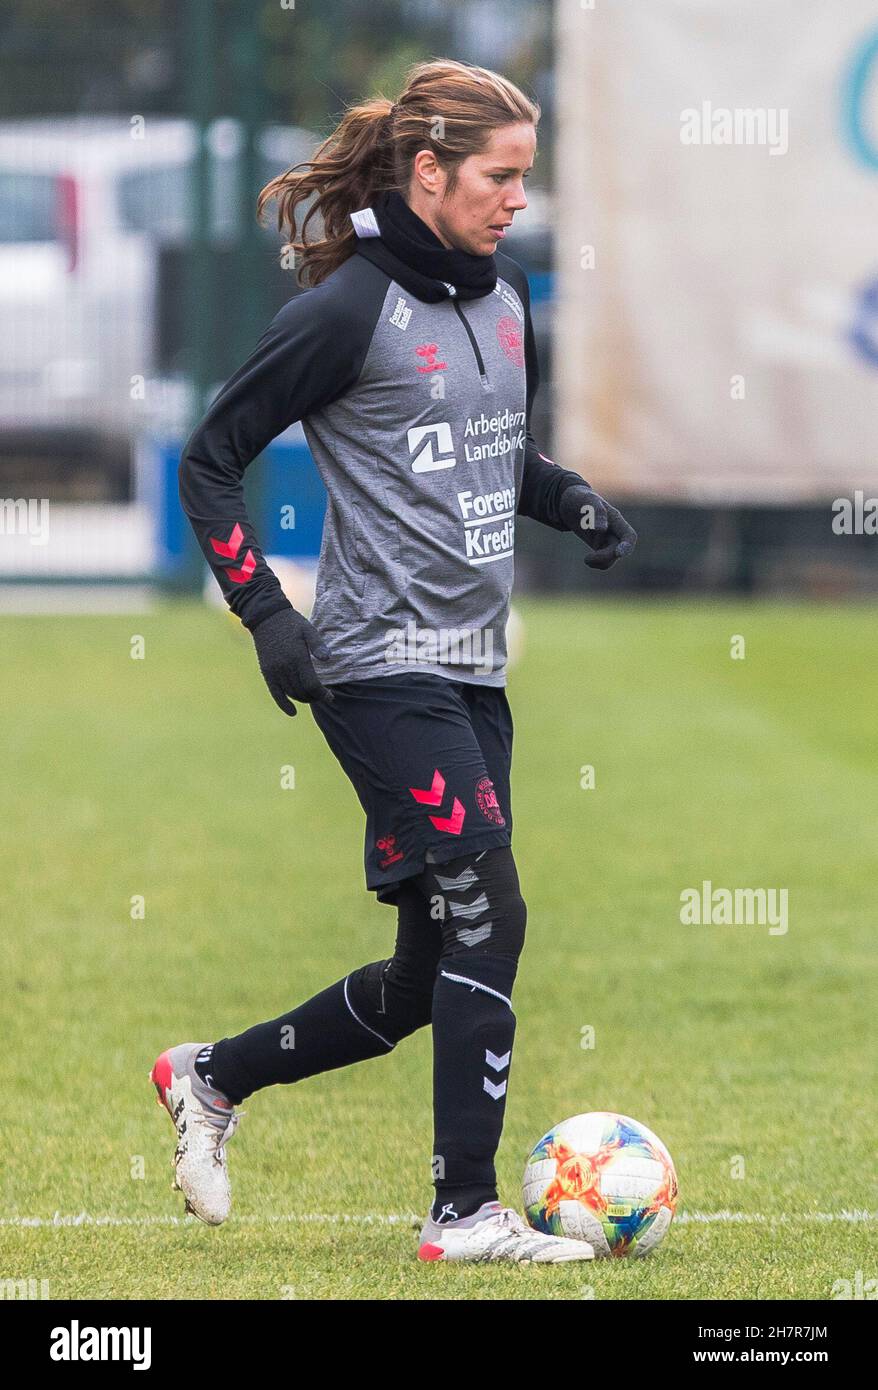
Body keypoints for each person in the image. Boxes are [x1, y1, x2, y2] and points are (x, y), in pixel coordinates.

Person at [150, 58, 636, 1264]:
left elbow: (485, 455)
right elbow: (210, 455)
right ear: (428, 173)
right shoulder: (342, 312)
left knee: (431, 970)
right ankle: (463, 1210)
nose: (517, 198)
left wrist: (565, 498)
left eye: (525, 175)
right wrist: (267, 612)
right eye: (499, 176)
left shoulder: (509, 295)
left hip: (474, 669)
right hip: (375, 667)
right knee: (494, 914)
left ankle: (210, 1078)